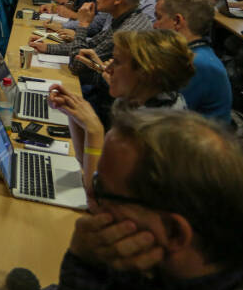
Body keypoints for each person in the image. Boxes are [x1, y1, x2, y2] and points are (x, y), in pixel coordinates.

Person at [43, 109, 243, 290]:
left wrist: (83, 264)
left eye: (102, 190)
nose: (93, 198)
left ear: (173, 232)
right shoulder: (216, 242)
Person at [47, 29, 191, 181]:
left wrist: (94, 130)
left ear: (145, 72)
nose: (108, 68)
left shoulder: (156, 132)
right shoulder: (138, 100)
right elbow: (86, 162)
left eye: (117, 61)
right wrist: (73, 112)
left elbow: (98, 195)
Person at [34, 0, 153, 97]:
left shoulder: (127, 32)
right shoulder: (128, 17)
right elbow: (90, 46)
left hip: (104, 102)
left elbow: (77, 65)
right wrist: (47, 47)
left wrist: (83, 24)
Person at [153, 0, 233, 123]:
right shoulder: (192, 55)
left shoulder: (197, 64)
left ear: (177, 21)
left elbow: (162, 116)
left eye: (159, 17)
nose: (154, 25)